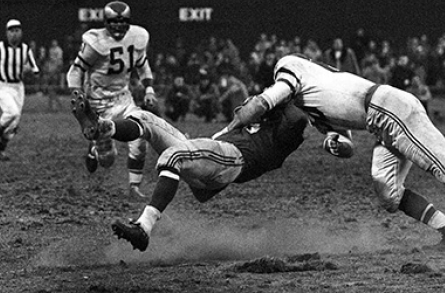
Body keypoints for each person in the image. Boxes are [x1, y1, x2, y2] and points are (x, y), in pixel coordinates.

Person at [220, 53, 445, 249]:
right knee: (389, 194)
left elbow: (262, 103)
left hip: (390, 108)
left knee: (442, 167)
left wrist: (229, 128)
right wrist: (334, 144)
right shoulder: (311, 100)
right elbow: (347, 145)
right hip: (380, 123)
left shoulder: (291, 68)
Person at [70, 90, 308, 251]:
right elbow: (253, 107)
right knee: (144, 118)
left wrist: (286, 93)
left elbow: (296, 117)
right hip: (216, 155)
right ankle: (104, 127)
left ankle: (143, 227)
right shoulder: (267, 119)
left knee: (175, 156)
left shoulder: (290, 128)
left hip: (234, 159)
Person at [66, 0, 158, 200]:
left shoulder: (138, 36)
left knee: (140, 137)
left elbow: (142, 64)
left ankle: (134, 187)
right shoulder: (95, 42)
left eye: (122, 21)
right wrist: (76, 92)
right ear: (106, 22)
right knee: (108, 160)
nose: (118, 25)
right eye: (113, 21)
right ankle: (94, 150)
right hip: (99, 103)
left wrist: (149, 88)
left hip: (124, 98)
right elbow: (76, 70)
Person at [0, 19, 40, 161]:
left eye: (17, 31)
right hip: (1, 85)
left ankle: (0, 152)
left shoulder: (26, 49)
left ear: (21, 32)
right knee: (12, 112)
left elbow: (35, 68)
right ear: (6, 33)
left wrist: (31, 71)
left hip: (18, 87)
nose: (14, 34)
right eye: (11, 31)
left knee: (14, 122)